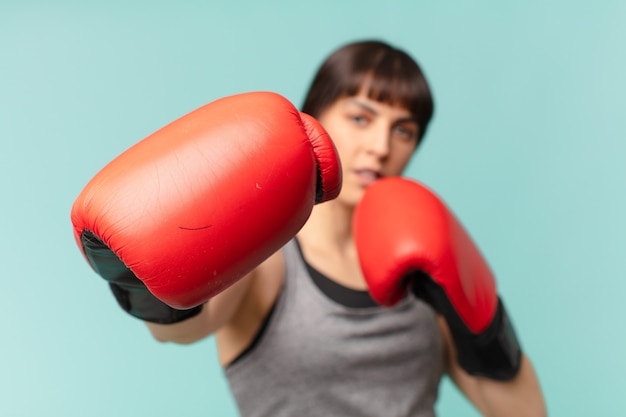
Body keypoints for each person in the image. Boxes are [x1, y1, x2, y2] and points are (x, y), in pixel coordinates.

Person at [72, 40, 546, 416]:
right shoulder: (269, 261)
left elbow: (525, 414)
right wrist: (139, 282)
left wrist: (482, 324)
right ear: (316, 120)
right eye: (361, 118)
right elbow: (182, 331)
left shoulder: (426, 262)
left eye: (404, 130)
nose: (380, 146)